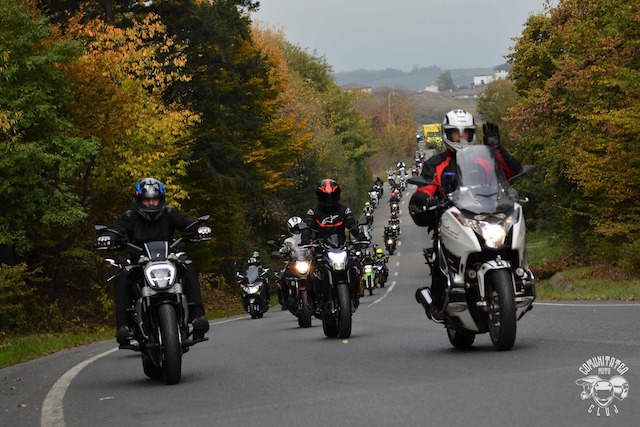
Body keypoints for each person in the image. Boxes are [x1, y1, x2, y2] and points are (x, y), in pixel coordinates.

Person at [408, 110, 522, 318]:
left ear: (472, 135)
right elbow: (424, 189)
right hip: (453, 219)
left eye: (466, 134)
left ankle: (520, 276)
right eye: (455, 134)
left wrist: (496, 148)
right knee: (439, 251)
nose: (461, 138)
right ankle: (438, 299)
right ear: (446, 135)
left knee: (507, 236)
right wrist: (426, 199)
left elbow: (511, 172)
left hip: (486, 214)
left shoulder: (485, 159)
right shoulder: (435, 164)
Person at [96, 177, 211, 344]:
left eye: (154, 199)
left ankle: (197, 318)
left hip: (169, 260)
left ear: (161, 199)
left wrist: (199, 228)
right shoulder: (130, 216)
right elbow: (117, 229)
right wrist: (107, 236)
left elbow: (187, 223)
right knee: (122, 276)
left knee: (189, 269)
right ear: (139, 200)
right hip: (139, 263)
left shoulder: (170, 213)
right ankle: (124, 326)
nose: (151, 204)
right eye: (146, 200)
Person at [301, 179, 367, 306]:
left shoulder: (344, 210)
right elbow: (308, 228)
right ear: (320, 196)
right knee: (310, 270)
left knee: (355, 265)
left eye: (332, 196)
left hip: (340, 246)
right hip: (321, 249)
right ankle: (311, 299)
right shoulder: (313, 212)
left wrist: (360, 236)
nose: (329, 200)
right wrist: (305, 239)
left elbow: (352, 226)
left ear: (337, 195)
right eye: (326, 197)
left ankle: (356, 293)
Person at [278, 216, 304, 310]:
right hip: (293, 264)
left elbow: (314, 246)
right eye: (294, 229)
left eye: (298, 228)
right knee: (283, 278)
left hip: (306, 262)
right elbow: (282, 249)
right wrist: (282, 252)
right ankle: (285, 300)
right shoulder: (287, 240)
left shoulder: (307, 237)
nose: (297, 231)